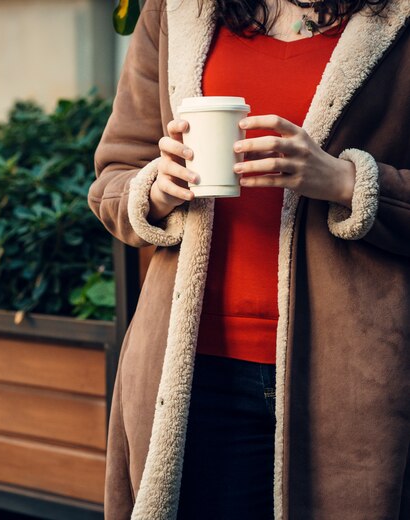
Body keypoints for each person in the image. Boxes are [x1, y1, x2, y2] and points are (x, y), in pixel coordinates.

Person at [88, 0, 409, 518]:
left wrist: (346, 181)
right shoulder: (177, 10)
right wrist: (156, 187)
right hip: (194, 375)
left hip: (353, 380)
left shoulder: (397, 17)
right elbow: (113, 177)